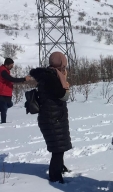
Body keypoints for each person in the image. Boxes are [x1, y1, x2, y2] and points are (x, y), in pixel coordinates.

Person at [29, 52, 72, 183]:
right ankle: (55, 176)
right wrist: (66, 87)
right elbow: (63, 95)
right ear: (61, 63)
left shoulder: (50, 75)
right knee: (58, 148)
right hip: (52, 117)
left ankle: (60, 167)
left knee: (60, 145)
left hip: (54, 116)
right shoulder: (52, 77)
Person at [0, 58, 30, 123]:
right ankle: (3, 123)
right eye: (11, 65)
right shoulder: (3, 71)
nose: (12, 67)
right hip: (2, 93)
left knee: (9, 104)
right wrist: (23, 79)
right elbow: (10, 79)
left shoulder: (5, 70)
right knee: (3, 108)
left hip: (6, 93)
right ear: (7, 65)